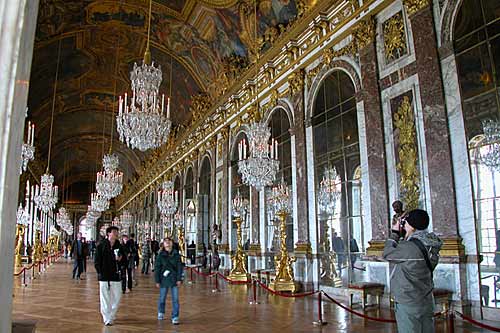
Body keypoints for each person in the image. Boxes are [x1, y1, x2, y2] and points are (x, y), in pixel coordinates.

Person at [383, 209, 443, 333]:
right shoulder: (431, 244)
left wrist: (394, 233)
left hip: (409, 301)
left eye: (406, 223)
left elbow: (387, 254)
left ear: (412, 226)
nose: (404, 225)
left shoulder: (411, 248)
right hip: (426, 298)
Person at [94, 226, 125, 326]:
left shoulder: (119, 246)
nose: (116, 233)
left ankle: (112, 314)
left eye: (117, 232)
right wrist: (100, 272)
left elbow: (124, 260)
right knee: (105, 297)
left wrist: (121, 260)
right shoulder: (101, 246)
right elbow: (97, 261)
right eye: (114, 232)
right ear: (108, 234)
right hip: (104, 276)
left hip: (116, 275)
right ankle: (106, 317)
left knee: (117, 296)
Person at [155, 237, 183, 324]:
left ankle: (175, 316)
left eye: (169, 241)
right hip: (164, 279)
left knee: (175, 299)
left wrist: (179, 279)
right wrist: (157, 280)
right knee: (162, 298)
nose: (167, 243)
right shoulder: (160, 255)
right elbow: (157, 268)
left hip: (174, 278)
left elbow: (179, 268)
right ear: (163, 244)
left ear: (172, 243)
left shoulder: (176, 255)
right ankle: (161, 311)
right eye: (165, 242)